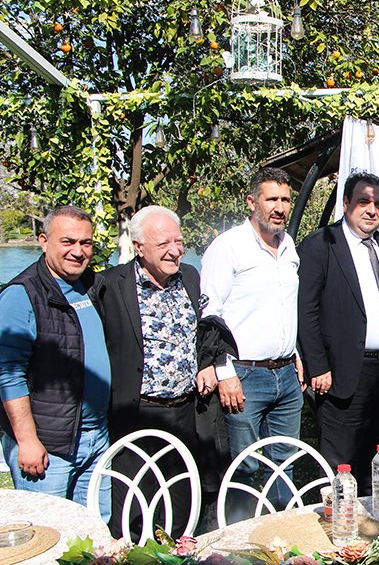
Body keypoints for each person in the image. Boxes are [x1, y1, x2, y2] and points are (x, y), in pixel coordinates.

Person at [96, 206, 234, 538]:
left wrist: (207, 363)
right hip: (137, 412)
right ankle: (130, 562)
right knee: (133, 507)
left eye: (179, 241)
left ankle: (178, 560)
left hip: (185, 411)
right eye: (164, 244)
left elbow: (205, 328)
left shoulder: (190, 277)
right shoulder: (111, 286)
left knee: (181, 501)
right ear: (139, 247)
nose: (175, 250)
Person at [200, 167, 303, 513]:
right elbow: (209, 315)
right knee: (243, 468)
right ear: (251, 201)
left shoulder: (288, 246)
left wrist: (296, 353)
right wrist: (223, 371)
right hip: (244, 376)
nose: (280, 207)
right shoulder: (228, 247)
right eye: (271, 199)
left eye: (285, 199)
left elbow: (285, 306)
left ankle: (286, 535)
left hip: (286, 375)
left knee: (285, 464)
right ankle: (241, 542)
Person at [0, 206, 111, 518]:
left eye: (85, 243)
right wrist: (27, 440)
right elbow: (8, 374)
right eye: (68, 242)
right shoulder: (22, 295)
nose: (78, 251)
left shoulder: (91, 286)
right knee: (52, 534)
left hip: (97, 438)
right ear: (44, 241)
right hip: (50, 447)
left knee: (97, 532)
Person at [298, 171, 379, 494]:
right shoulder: (322, 244)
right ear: (345, 203)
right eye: (363, 202)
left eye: (378, 204)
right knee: (341, 463)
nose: (372, 210)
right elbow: (306, 310)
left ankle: (377, 520)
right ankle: (341, 521)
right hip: (341, 373)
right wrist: (317, 365)